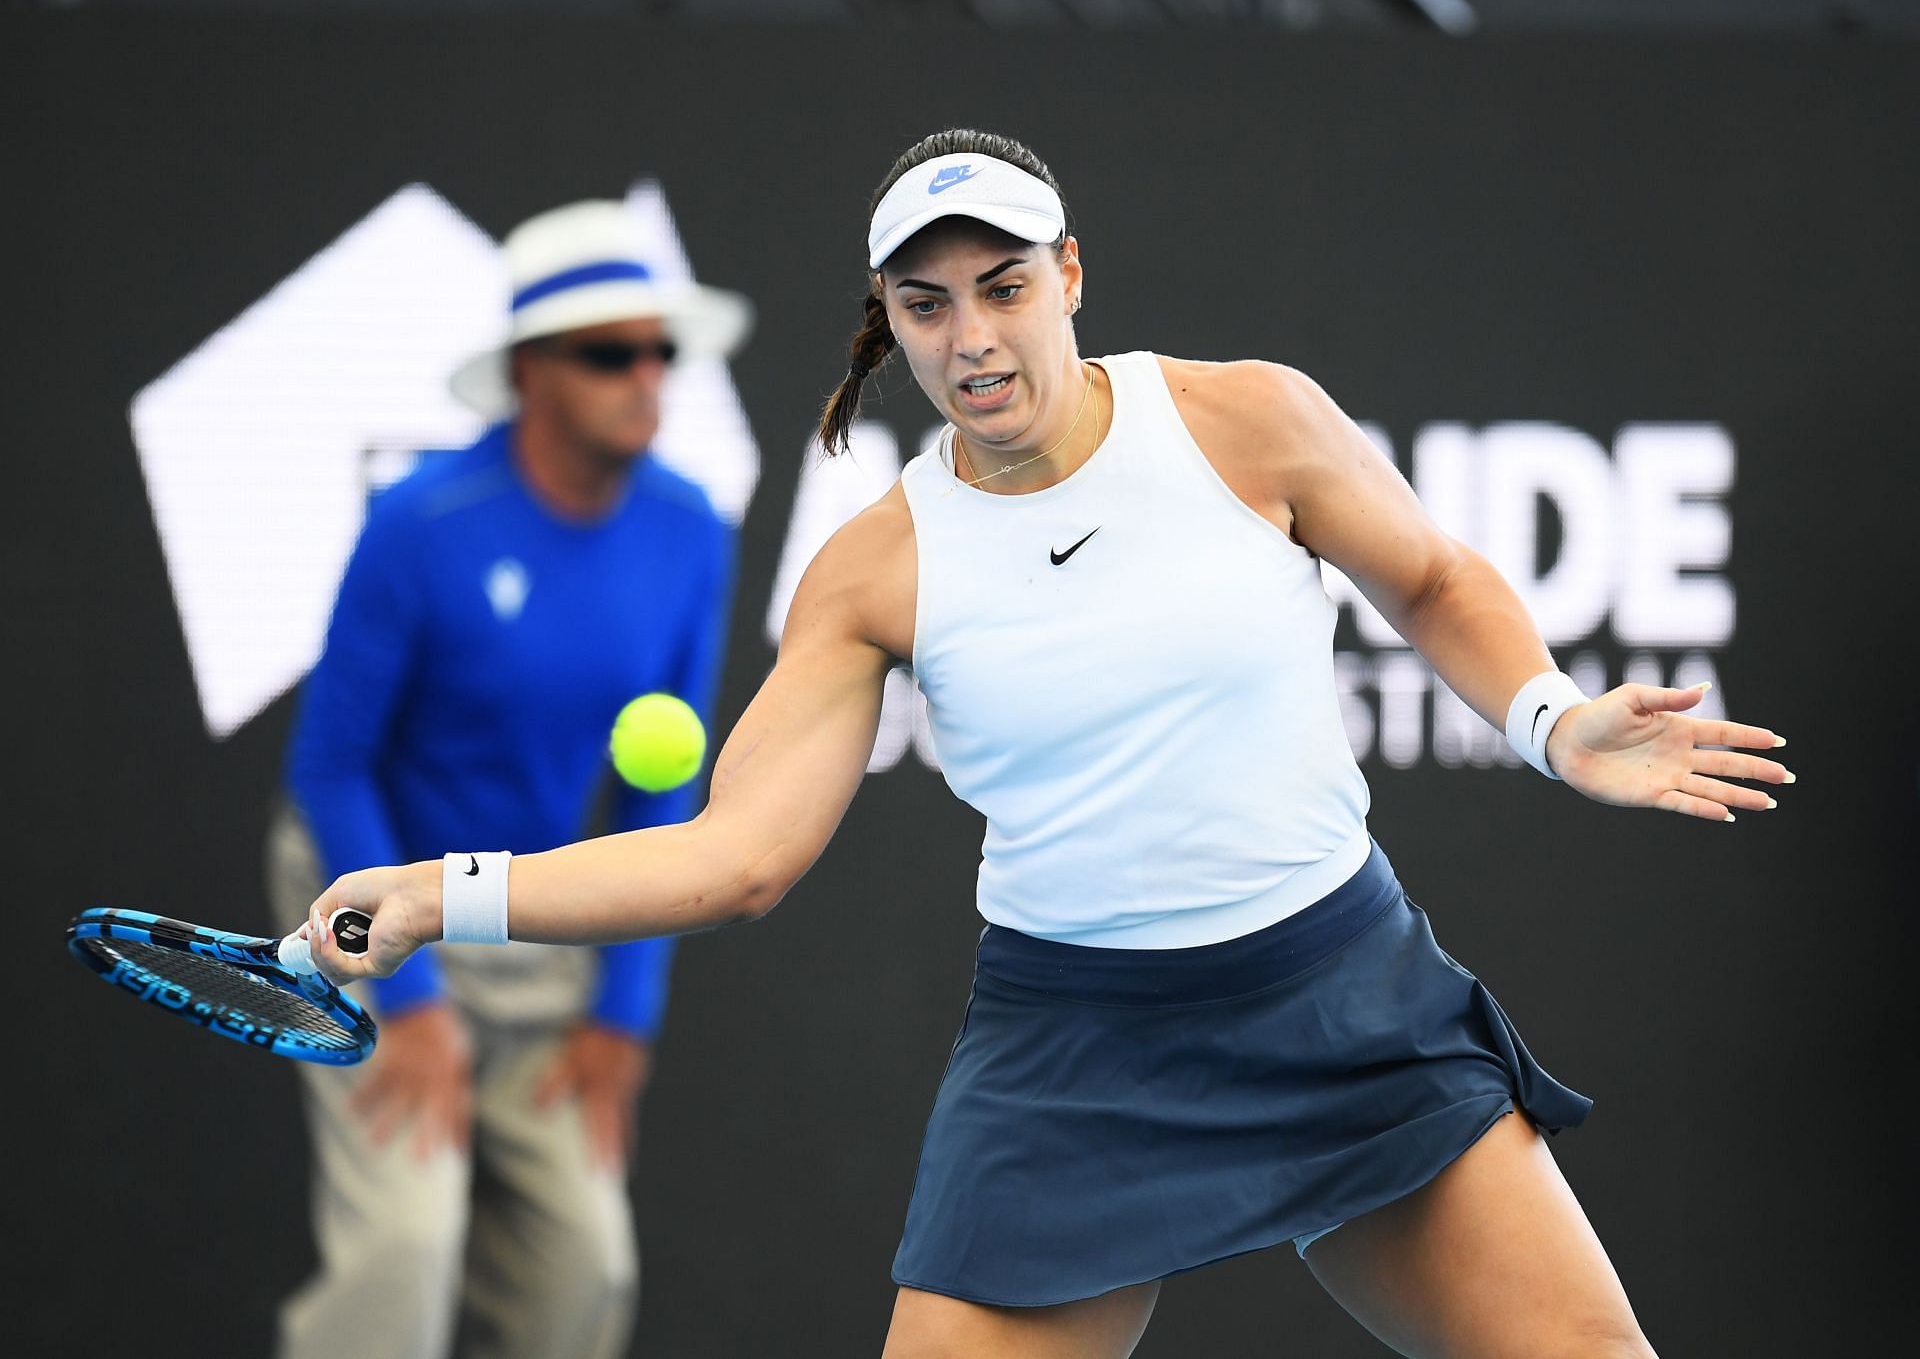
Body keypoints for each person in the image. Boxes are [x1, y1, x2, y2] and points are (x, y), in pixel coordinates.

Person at [305, 131, 1792, 1359]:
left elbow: (1435, 579)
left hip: (1342, 997)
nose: (973, 337)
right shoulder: (875, 566)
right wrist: (444, 890)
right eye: (926, 304)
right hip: (1075, 1054)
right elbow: (734, 856)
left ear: (1070, 274)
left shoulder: (1246, 421)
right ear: (888, 323)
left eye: (1002, 286)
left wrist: (1549, 720)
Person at [270, 199, 749, 1359]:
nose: (647, 377)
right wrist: (416, 1008)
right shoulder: (419, 523)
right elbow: (330, 767)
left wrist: (626, 1014)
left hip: (534, 914)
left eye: (661, 350)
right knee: (405, 1258)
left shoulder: (693, 534)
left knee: (587, 1270)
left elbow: (658, 803)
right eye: (608, 353)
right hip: (374, 907)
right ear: (533, 372)